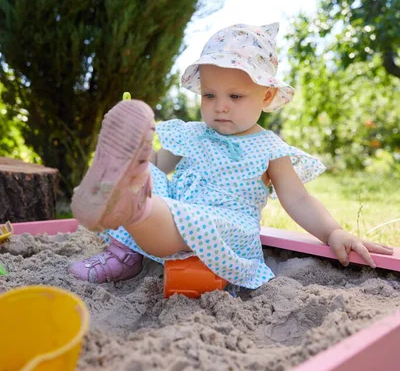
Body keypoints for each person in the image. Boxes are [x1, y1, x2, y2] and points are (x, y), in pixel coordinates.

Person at [69, 23, 393, 287]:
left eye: (235, 96)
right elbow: (158, 165)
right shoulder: (193, 133)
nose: (220, 106)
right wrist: (139, 162)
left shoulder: (270, 148)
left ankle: (131, 206)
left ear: (266, 96)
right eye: (209, 95)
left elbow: (298, 200)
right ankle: (125, 233)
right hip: (174, 208)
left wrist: (333, 231)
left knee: (181, 215)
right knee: (146, 175)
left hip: (224, 228)